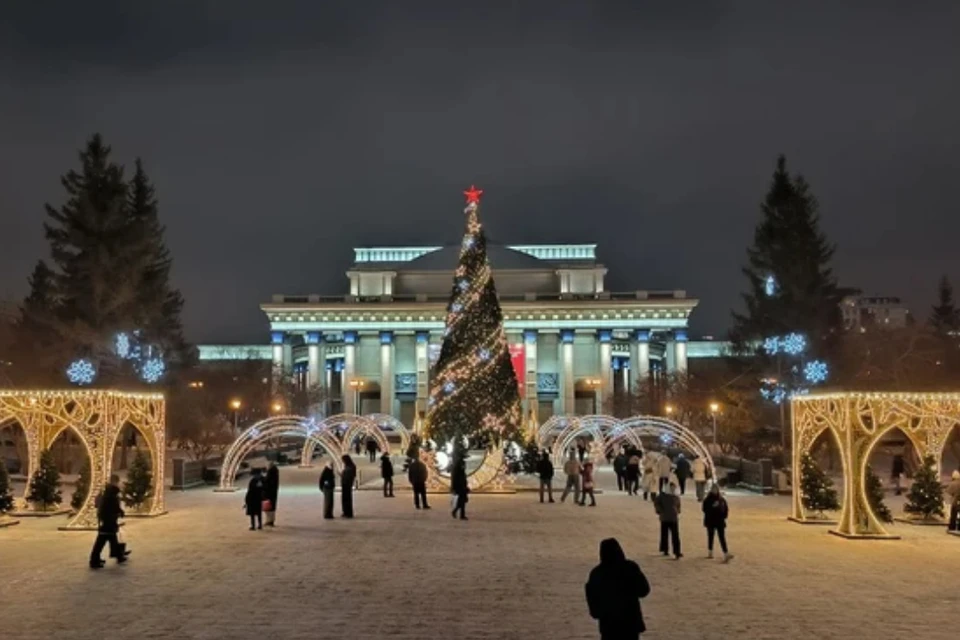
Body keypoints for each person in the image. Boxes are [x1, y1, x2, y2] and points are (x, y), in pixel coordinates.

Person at [585, 538, 651, 640]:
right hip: (630, 622)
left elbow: (591, 596)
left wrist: (597, 612)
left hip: (608, 624)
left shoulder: (597, 573)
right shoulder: (630, 567)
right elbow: (644, 590)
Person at [89, 474, 128, 569]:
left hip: (107, 521)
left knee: (111, 539)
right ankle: (94, 560)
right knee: (102, 541)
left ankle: (118, 555)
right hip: (108, 521)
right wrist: (118, 512)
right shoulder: (111, 496)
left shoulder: (108, 494)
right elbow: (112, 508)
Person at [702, 484, 733, 561]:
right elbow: (704, 509)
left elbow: (725, 508)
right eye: (713, 489)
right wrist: (712, 507)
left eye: (716, 489)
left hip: (720, 521)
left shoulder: (721, 499)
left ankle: (726, 552)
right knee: (711, 536)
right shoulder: (707, 499)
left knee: (722, 537)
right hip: (711, 521)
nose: (715, 490)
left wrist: (724, 516)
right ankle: (710, 551)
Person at [654, 481, 682, 559]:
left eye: (674, 488)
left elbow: (678, 505)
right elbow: (656, 503)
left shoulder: (676, 496)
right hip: (665, 518)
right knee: (664, 535)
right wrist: (659, 510)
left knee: (675, 536)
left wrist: (678, 510)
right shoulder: (662, 496)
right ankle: (665, 549)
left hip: (673, 518)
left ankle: (677, 551)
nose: (673, 489)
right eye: (672, 488)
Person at [264, 461, 280, 527]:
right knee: (272, 507)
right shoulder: (275, 472)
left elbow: (267, 482)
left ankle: (269, 521)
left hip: (268, 492)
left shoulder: (270, 472)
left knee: (268, 507)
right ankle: (271, 520)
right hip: (273, 492)